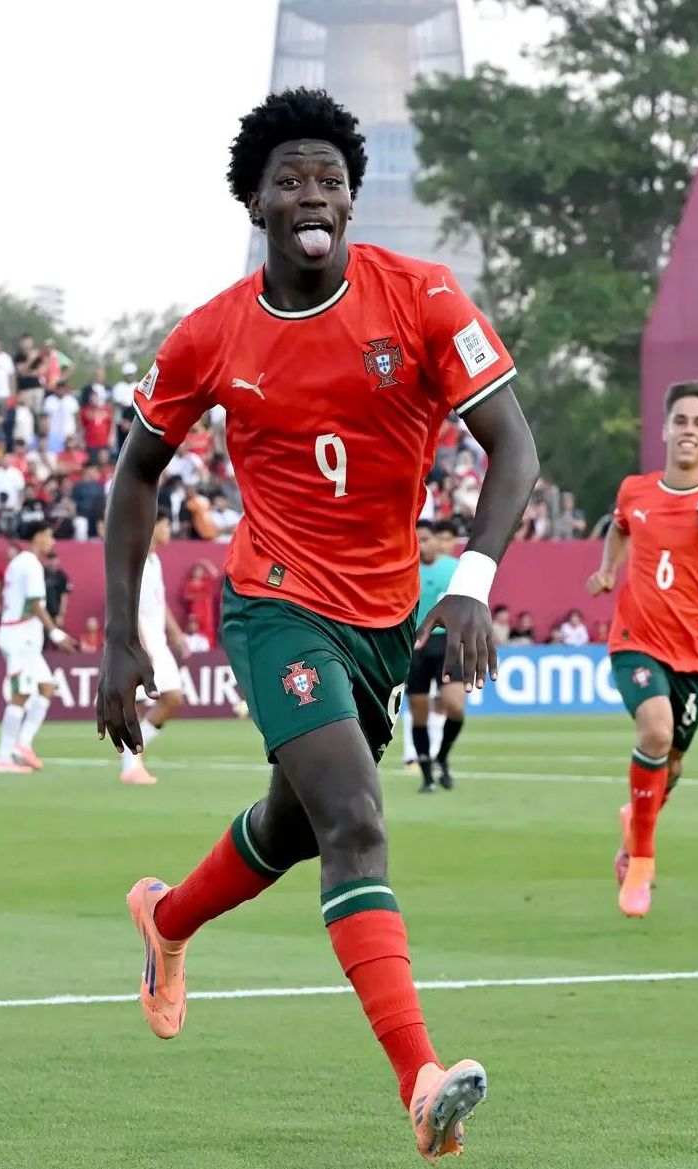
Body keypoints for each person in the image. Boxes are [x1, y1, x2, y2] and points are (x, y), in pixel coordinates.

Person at [94, 89, 539, 1162]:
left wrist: (468, 581)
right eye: (288, 179)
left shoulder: (423, 296)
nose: (310, 196)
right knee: (354, 821)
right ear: (254, 199)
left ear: (351, 196)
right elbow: (133, 477)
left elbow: (511, 448)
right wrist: (120, 637)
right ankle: (420, 1081)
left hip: (384, 613)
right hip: (274, 601)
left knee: (295, 827)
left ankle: (166, 918)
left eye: (329, 180)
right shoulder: (209, 332)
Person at [587, 380, 698, 919]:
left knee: (675, 762)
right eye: (680, 421)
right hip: (634, 641)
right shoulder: (634, 491)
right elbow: (619, 528)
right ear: (665, 429)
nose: (688, 431)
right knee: (657, 733)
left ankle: (634, 825)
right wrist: (608, 569)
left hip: (694, 655)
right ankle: (641, 859)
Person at [0, 522, 72, 772]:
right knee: (22, 694)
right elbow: (36, 605)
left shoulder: (21, 562)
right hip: (19, 639)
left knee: (46, 687)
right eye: (49, 536)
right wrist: (56, 634)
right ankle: (4, 757)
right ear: (37, 537)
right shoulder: (30, 564)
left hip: (25, 639)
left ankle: (23, 744)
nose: (52, 542)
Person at [119, 516, 190, 786]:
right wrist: (141, 644)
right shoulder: (134, 561)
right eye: (166, 525)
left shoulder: (155, 561)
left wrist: (176, 633)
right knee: (137, 703)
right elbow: (127, 605)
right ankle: (131, 766)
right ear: (152, 527)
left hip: (158, 642)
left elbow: (160, 603)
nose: (169, 531)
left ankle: (133, 752)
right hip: (140, 642)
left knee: (173, 698)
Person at [407, 520, 467, 794]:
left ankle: (442, 755)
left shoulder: (453, 569)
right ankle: (427, 773)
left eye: (426, 539)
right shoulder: (406, 570)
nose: (423, 544)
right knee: (419, 711)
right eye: (417, 539)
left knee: (455, 705)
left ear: (435, 541)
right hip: (416, 646)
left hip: (448, 644)